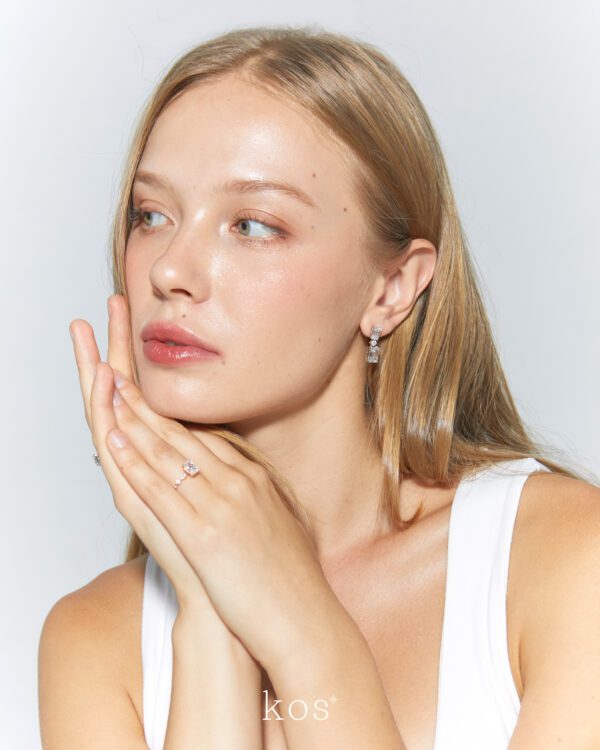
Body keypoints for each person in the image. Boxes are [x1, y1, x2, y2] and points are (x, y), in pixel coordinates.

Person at [38, 24, 600, 750]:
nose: (169, 269)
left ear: (392, 289)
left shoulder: (565, 560)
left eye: (253, 225)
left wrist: (300, 622)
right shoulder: (95, 640)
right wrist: (212, 617)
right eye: (151, 214)